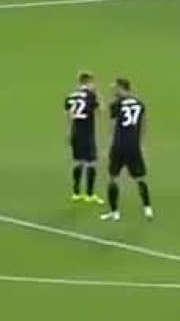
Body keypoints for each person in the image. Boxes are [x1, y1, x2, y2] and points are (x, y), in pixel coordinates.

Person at [100, 78, 152, 221]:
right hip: (134, 145)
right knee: (140, 178)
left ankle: (114, 212)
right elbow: (143, 124)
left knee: (113, 178)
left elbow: (113, 126)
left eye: (115, 87)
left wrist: (109, 146)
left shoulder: (116, 104)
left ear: (121, 88)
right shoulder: (139, 104)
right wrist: (140, 143)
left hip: (119, 145)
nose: (113, 90)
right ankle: (147, 208)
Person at [65, 72, 102, 204]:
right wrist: (97, 95)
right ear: (88, 82)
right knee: (91, 163)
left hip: (75, 133)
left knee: (78, 162)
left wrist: (68, 133)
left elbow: (68, 116)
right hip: (87, 134)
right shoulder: (91, 95)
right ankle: (89, 194)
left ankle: (76, 193)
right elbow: (100, 111)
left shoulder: (70, 96)